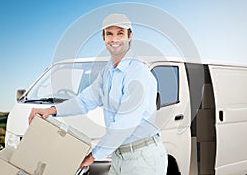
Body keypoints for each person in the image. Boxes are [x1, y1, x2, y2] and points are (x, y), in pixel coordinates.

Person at [28, 13, 168, 175]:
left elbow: (124, 124)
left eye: (120, 33)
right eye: (109, 34)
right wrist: (50, 110)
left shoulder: (138, 74)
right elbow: (84, 101)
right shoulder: (108, 72)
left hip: (142, 158)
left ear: (130, 36)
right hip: (119, 156)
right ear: (103, 37)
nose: (114, 39)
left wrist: (93, 155)